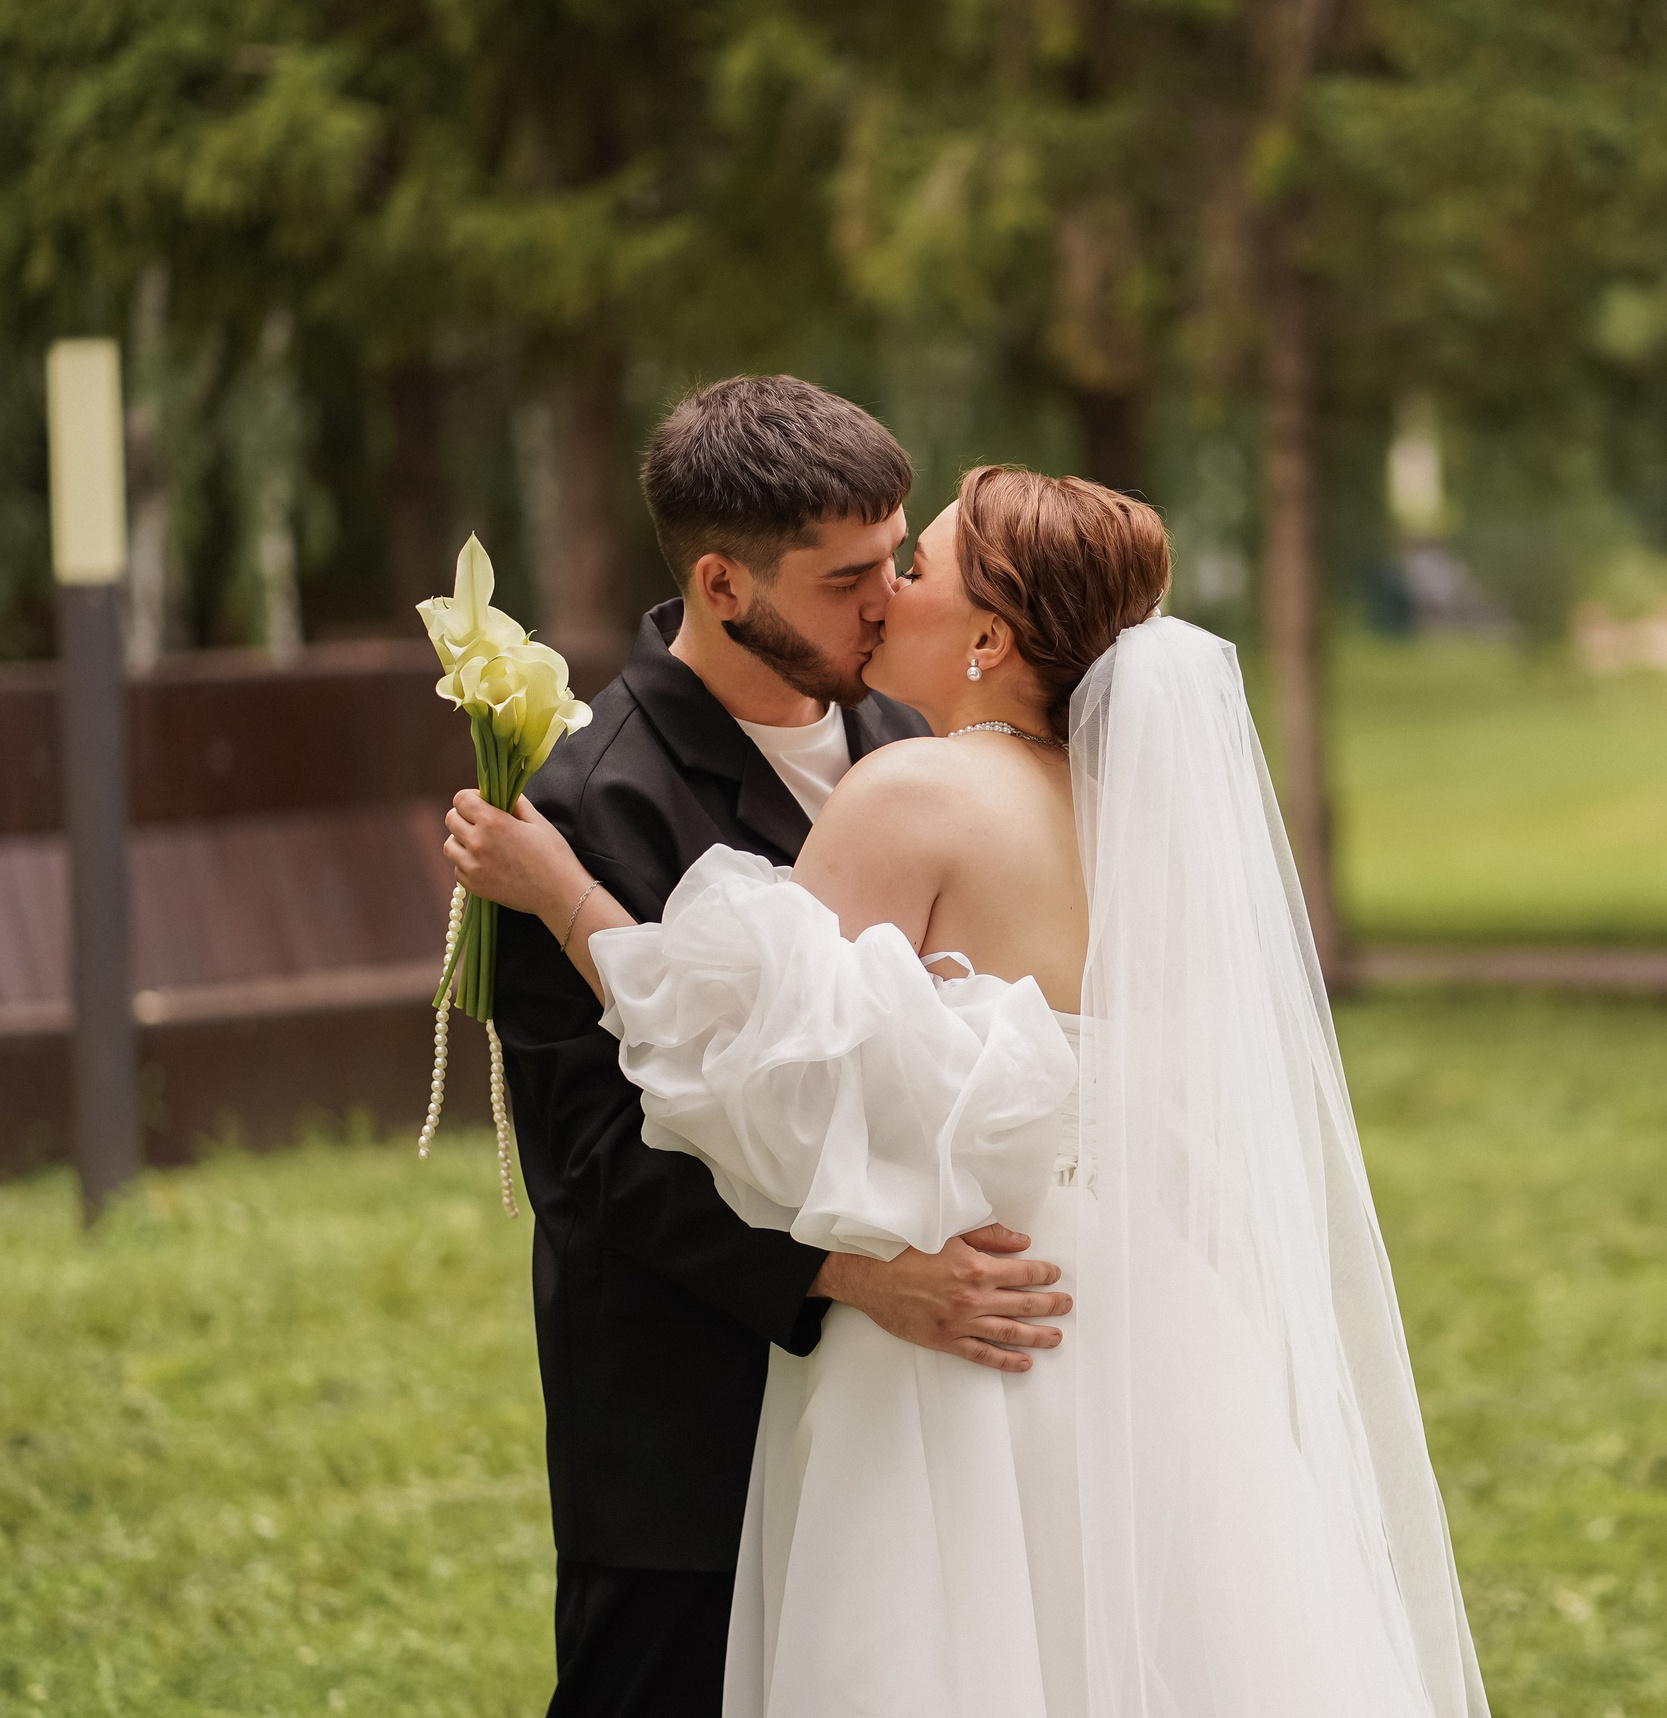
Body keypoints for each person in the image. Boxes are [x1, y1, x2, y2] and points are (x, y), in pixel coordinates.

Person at [451, 467, 1488, 1715]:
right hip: (1138, 1316)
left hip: (955, 1325)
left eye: (918, 568)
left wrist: (563, 893)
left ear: (990, 636)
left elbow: (745, 1080)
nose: (888, 593)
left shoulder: (913, 790)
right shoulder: (1120, 815)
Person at [489, 379, 1076, 1718]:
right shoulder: (583, 800)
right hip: (688, 1420)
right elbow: (594, 1155)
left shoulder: (914, 736)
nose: (890, 600)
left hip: (916, 1419)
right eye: (848, 577)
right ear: (723, 582)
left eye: (897, 558)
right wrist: (855, 1279)